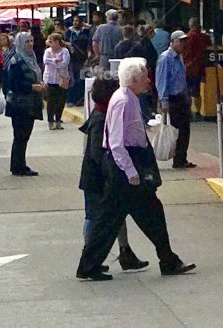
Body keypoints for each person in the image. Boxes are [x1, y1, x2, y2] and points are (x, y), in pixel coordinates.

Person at [76, 57, 195, 281]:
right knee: (110, 221)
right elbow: (116, 143)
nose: (149, 81)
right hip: (125, 169)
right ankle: (89, 265)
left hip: (129, 165)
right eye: (144, 77)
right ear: (133, 80)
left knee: (147, 215)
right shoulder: (122, 101)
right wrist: (131, 173)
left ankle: (168, 259)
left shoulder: (129, 99)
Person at [79, 75, 147, 272]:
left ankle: (125, 252)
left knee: (117, 214)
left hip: (104, 177)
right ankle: (89, 256)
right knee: (94, 217)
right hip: (97, 179)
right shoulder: (100, 120)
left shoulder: (103, 114)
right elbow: (97, 153)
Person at [2, 31, 45, 176]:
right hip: (19, 105)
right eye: (27, 42)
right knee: (20, 136)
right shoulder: (16, 61)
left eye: (31, 41)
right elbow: (13, 84)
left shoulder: (31, 58)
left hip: (31, 103)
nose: (30, 44)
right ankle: (17, 166)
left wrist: (40, 84)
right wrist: (32, 87)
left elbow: (35, 75)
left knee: (25, 136)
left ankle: (21, 164)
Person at [155, 30, 196, 170]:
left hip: (181, 97)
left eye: (184, 41)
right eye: (180, 41)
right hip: (173, 99)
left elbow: (180, 79)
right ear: (172, 42)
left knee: (184, 130)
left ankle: (181, 158)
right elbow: (162, 80)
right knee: (177, 129)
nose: (183, 44)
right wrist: (164, 100)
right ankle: (178, 159)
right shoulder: (166, 58)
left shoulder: (179, 58)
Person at [42, 32, 71, 130]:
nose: (50, 44)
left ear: (57, 42)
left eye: (52, 42)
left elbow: (65, 63)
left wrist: (54, 62)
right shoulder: (48, 51)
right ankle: (51, 121)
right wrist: (56, 60)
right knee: (51, 101)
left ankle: (58, 120)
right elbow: (46, 61)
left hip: (62, 79)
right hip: (50, 79)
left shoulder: (65, 51)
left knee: (61, 101)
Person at [183, 19, 210, 119]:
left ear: (190, 26)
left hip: (187, 67)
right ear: (198, 25)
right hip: (199, 67)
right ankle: (198, 112)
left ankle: (188, 112)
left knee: (186, 91)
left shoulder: (186, 37)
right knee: (196, 91)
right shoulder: (203, 37)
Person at [65, 16, 91, 106]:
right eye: (74, 21)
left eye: (78, 21)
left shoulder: (86, 32)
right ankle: (70, 100)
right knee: (72, 80)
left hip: (83, 60)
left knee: (81, 80)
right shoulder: (68, 32)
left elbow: (89, 45)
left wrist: (88, 58)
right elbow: (64, 43)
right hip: (71, 60)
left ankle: (79, 100)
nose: (76, 23)